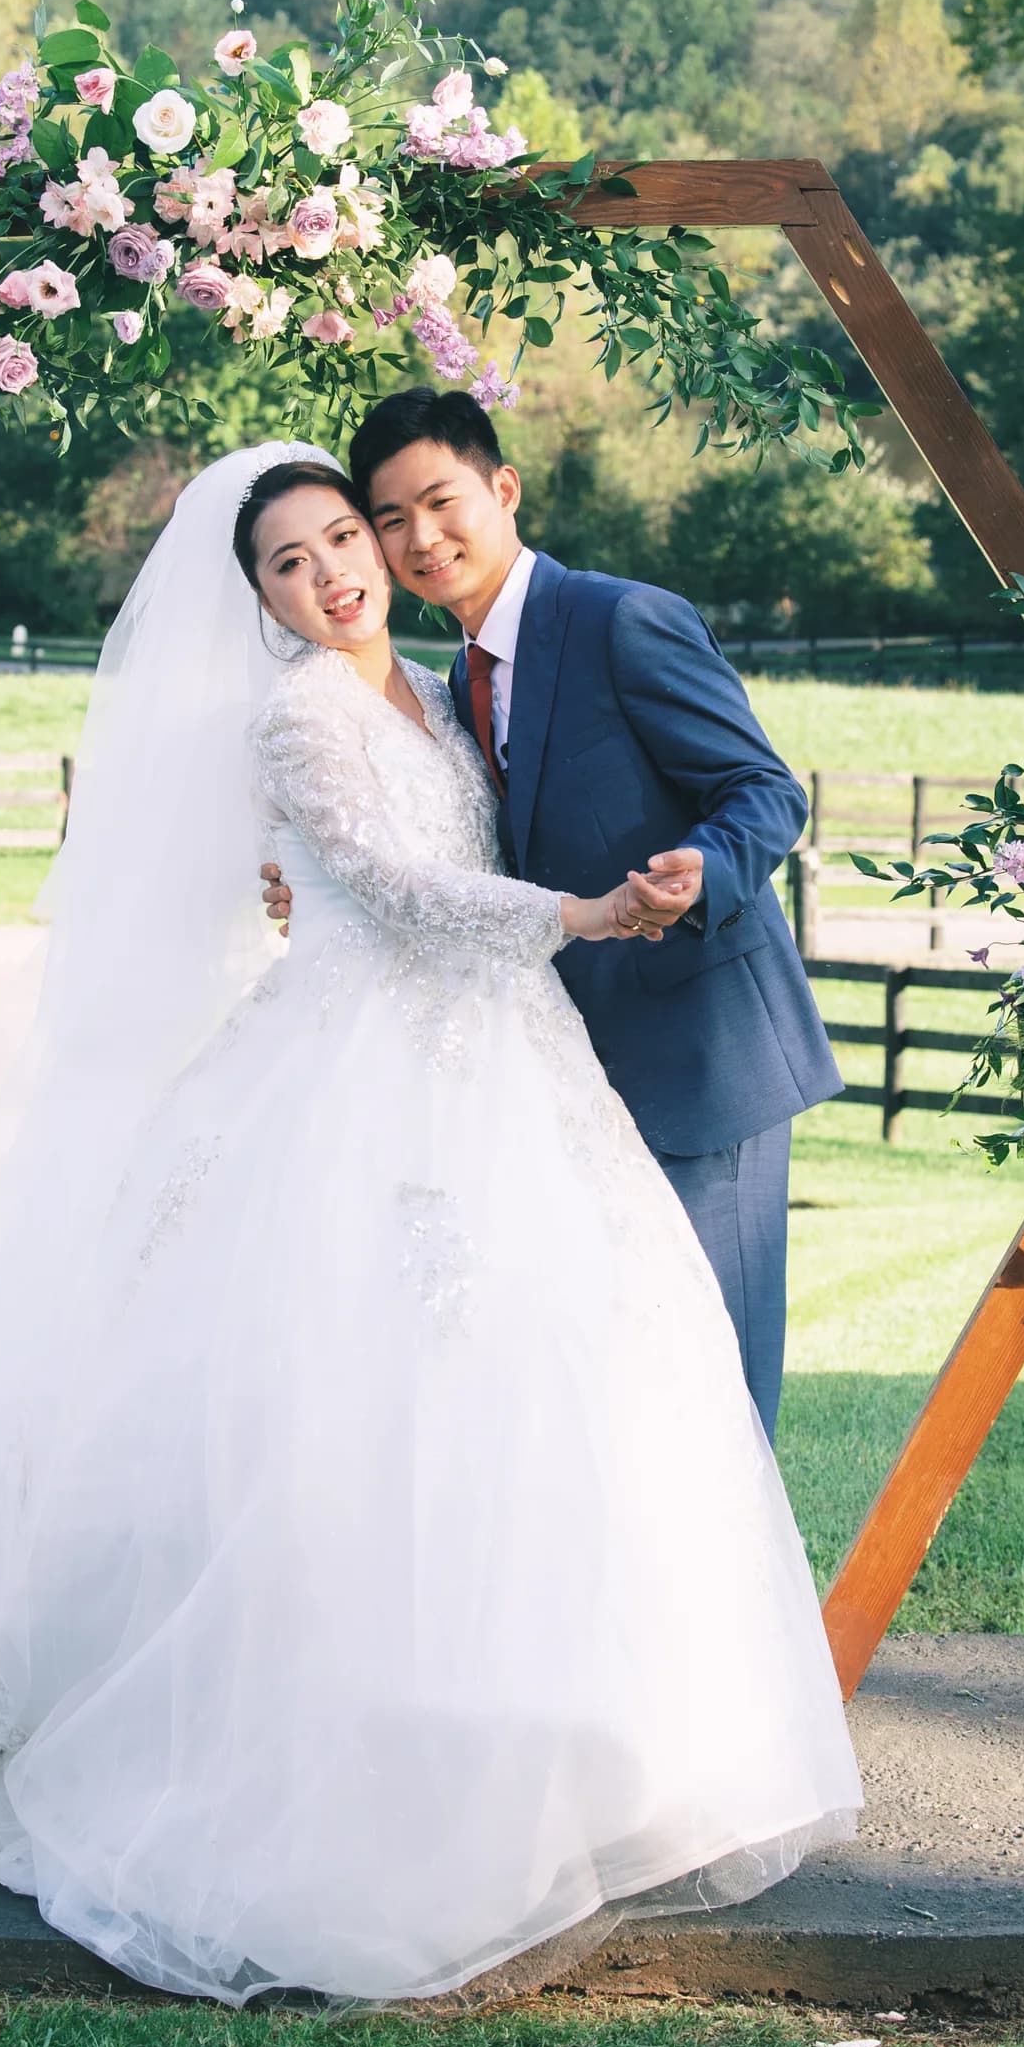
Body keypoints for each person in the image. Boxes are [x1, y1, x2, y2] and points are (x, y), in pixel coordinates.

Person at [0, 441, 859, 2008]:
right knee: (330, 1396)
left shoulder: (431, 692)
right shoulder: (300, 718)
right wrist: (570, 917)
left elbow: (479, 840)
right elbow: (398, 887)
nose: (338, 570)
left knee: (560, 1386)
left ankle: (560, 1713)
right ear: (258, 602)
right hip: (365, 1071)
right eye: (291, 563)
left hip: (506, 1070)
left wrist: (586, 897)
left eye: (344, 538)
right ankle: (303, 1730)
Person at [266, 389, 840, 1439]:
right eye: (388, 520)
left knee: (713, 1378)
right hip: (559, 1075)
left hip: (698, 1053)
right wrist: (314, 878)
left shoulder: (621, 618)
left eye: (439, 503)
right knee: (614, 1386)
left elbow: (764, 792)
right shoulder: (448, 682)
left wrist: (699, 873)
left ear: (502, 488)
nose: (419, 539)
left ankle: (739, 1607)